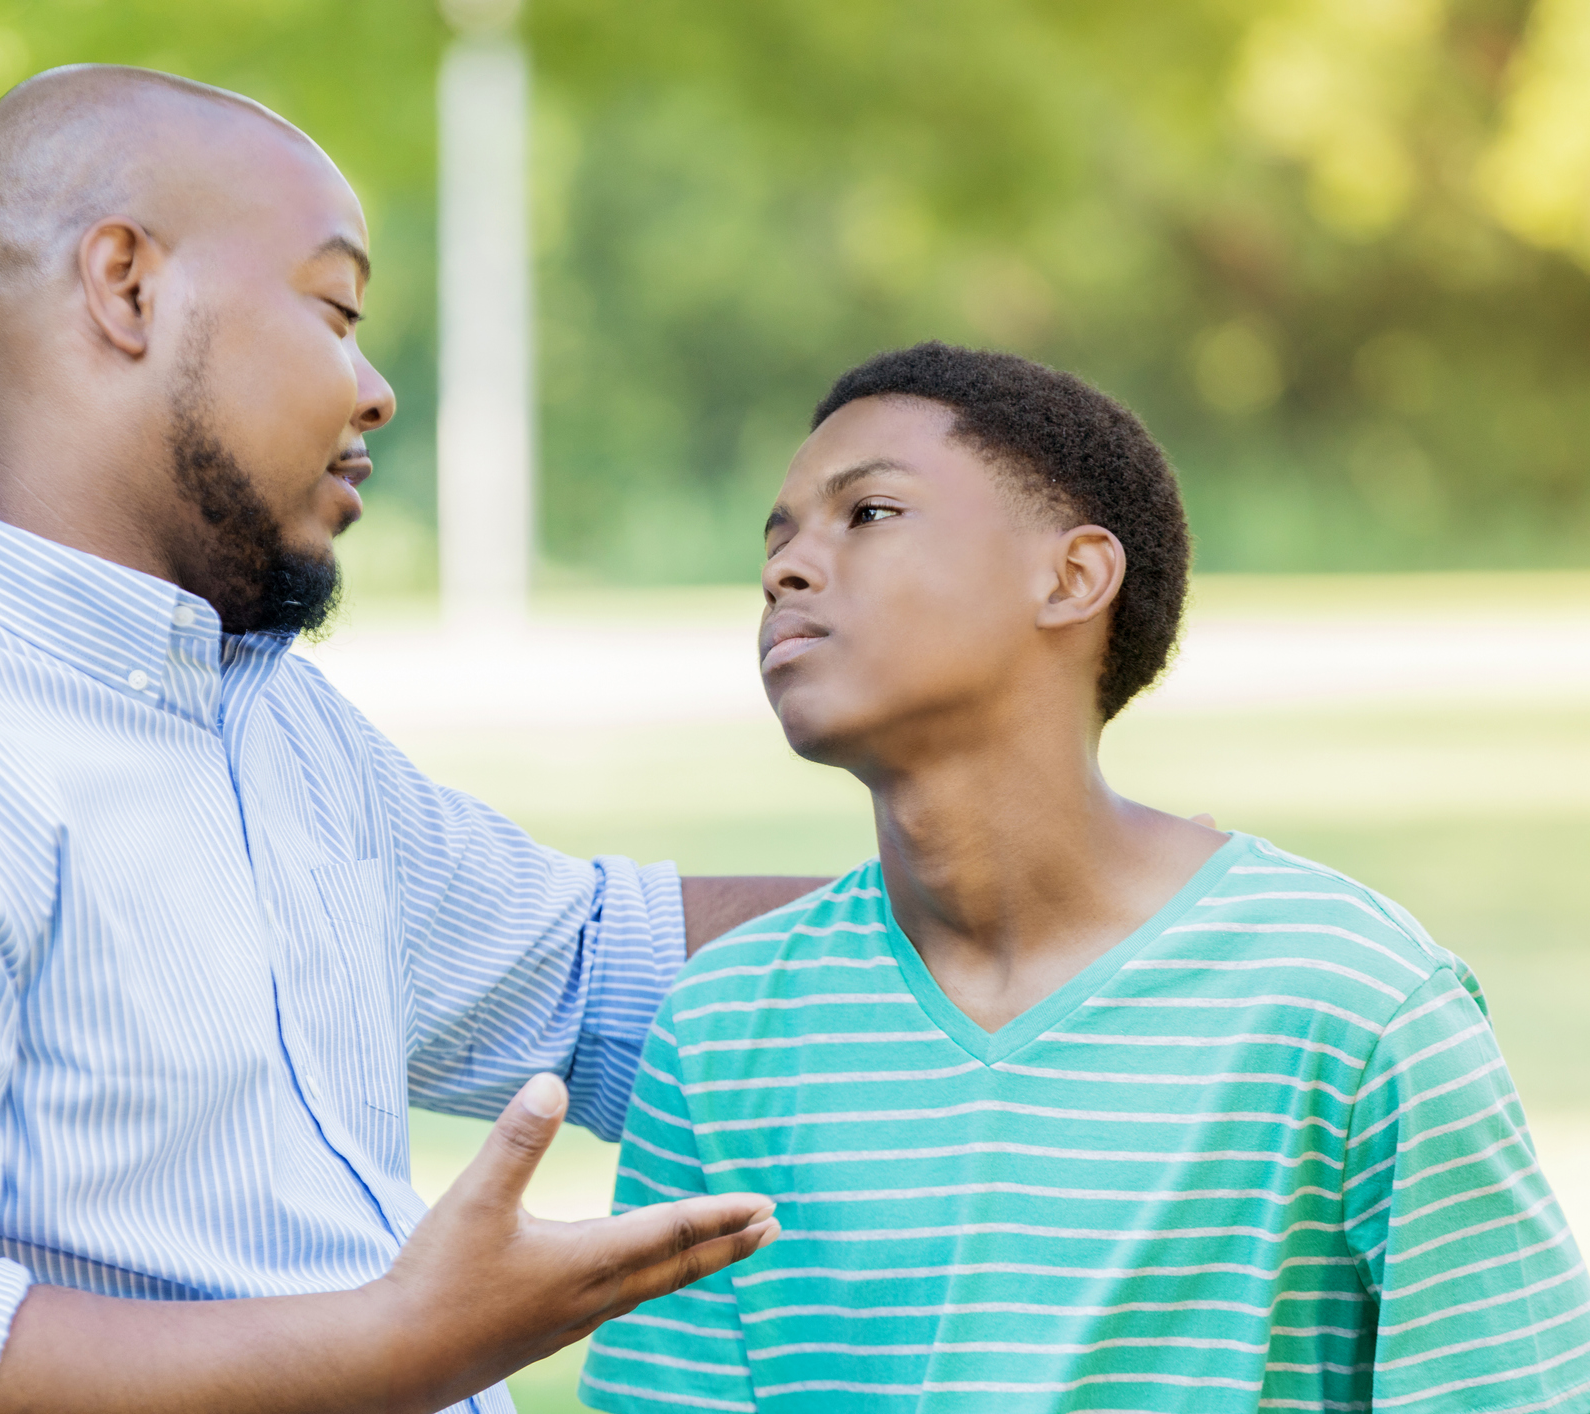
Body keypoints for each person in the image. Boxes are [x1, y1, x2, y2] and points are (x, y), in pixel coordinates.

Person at [0, 66, 814, 1414]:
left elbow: (594, 972)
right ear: (127, 285)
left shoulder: (270, 733)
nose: (375, 387)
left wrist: (1051, 889)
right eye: (336, 308)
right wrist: (399, 1344)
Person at [579, 342, 1590, 1413]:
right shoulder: (723, 1026)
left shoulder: (1350, 1000)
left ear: (1072, 577)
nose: (785, 568)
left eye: (867, 513)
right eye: (776, 542)